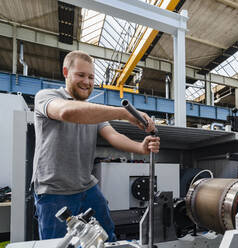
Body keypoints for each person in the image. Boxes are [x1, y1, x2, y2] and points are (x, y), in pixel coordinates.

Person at [31, 50, 160, 241]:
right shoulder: (47, 96)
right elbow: (67, 112)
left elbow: (113, 136)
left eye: (91, 77)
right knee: (58, 245)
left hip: (87, 188)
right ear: (66, 72)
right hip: (54, 192)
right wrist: (123, 113)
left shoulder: (93, 112)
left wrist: (140, 148)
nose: (87, 82)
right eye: (80, 75)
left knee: (106, 238)